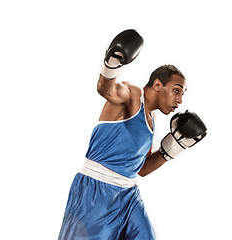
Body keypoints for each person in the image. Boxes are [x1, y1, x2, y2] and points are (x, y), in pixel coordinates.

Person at [58, 29, 207, 240]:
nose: (180, 100)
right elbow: (106, 89)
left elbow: (142, 169)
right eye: (176, 90)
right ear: (157, 84)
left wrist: (175, 146)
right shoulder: (133, 95)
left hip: (127, 195)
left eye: (182, 93)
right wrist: (112, 64)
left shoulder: (152, 121)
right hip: (96, 192)